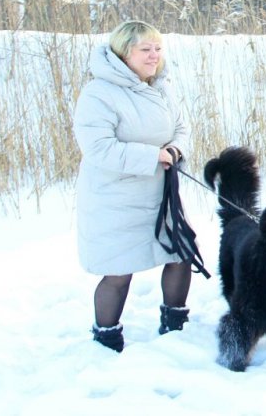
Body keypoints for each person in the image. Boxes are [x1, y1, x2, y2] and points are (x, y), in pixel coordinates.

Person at [73, 20, 193, 352]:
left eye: (157, 48)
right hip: (116, 196)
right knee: (118, 270)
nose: (154, 56)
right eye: (145, 49)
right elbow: (98, 148)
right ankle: (107, 335)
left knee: (181, 254)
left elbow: (181, 127)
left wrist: (175, 150)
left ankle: (175, 324)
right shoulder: (99, 93)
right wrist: (152, 155)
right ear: (125, 53)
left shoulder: (160, 85)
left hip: (158, 193)